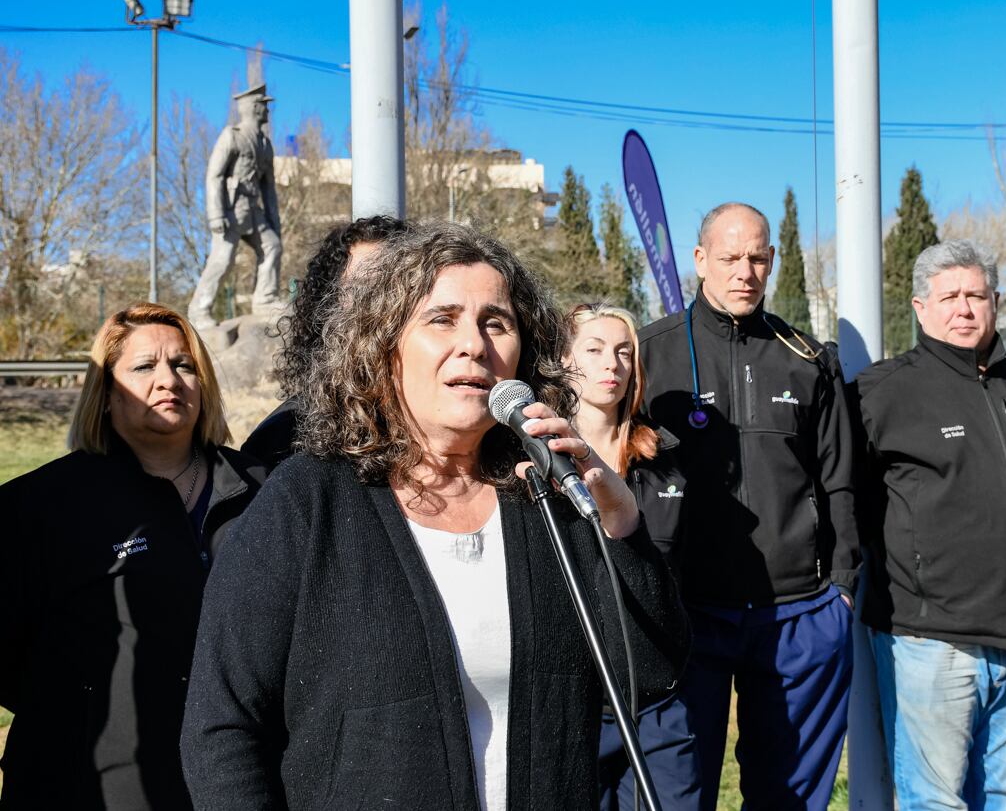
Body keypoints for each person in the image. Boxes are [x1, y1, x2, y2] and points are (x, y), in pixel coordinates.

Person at [180, 221, 690, 810]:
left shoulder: (545, 496)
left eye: (496, 322)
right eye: (441, 319)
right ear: (383, 345)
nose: (474, 344)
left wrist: (622, 525)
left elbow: (647, 675)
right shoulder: (306, 500)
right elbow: (222, 727)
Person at [638, 202, 858, 810]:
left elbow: (840, 479)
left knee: (787, 797)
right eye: (731, 257)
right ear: (700, 260)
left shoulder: (810, 359)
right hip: (688, 617)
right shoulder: (649, 355)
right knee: (679, 793)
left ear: (773, 262)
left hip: (798, 617)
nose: (745, 271)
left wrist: (840, 589)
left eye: (758, 257)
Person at [0, 303, 264, 809]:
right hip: (85, 785)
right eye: (144, 367)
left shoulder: (264, 493)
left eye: (184, 365)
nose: (168, 379)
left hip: (230, 783)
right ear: (106, 392)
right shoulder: (37, 507)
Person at [856, 239, 1006, 810]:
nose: (964, 309)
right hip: (931, 641)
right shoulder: (882, 393)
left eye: (976, 295)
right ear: (920, 307)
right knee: (936, 800)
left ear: (995, 302)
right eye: (949, 297)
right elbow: (850, 502)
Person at [564, 302, 700, 810]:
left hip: (657, 701)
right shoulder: (533, 461)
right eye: (594, 350)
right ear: (563, 361)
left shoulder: (664, 458)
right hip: (574, 703)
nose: (612, 365)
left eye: (624, 353)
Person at [241, 215, 409, 469]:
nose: (381, 303)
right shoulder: (281, 439)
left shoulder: (459, 417)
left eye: (397, 286)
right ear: (327, 309)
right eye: (363, 288)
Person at [189, 84, 284, 328]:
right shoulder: (233, 135)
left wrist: (275, 222)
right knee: (223, 259)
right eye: (264, 105)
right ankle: (199, 310)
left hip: (254, 210)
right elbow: (215, 175)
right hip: (232, 209)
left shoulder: (265, 144)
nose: (267, 110)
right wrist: (216, 214)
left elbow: (269, 189)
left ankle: (264, 299)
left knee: (272, 245)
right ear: (254, 107)